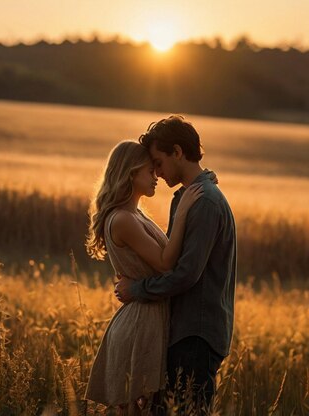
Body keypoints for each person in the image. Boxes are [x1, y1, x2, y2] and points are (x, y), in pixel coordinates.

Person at [114, 115, 237, 413]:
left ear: (178, 153)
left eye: (158, 162)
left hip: (196, 333)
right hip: (183, 330)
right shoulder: (186, 198)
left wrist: (137, 289)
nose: (156, 171)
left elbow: (184, 275)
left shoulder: (204, 202)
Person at [84, 140, 204, 414]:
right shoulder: (123, 219)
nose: (157, 177)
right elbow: (164, 264)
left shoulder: (136, 214)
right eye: (150, 171)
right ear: (131, 174)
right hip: (140, 324)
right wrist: (184, 211)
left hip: (149, 317)